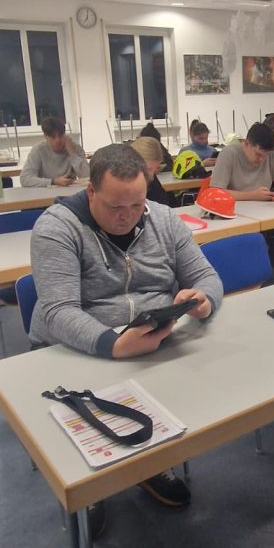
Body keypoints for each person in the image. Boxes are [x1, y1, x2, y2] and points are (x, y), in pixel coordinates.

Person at [30, 143, 223, 510]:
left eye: (137, 205)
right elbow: (59, 311)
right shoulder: (56, 227)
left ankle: (148, 462)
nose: (128, 217)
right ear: (91, 192)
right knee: (89, 448)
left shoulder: (163, 219)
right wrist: (114, 344)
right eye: (115, 207)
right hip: (73, 348)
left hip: (149, 342)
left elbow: (206, 276)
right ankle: (90, 491)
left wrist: (204, 299)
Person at [211, 122, 274, 280]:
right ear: (246, 144)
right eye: (258, 154)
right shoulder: (228, 154)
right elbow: (216, 192)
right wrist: (253, 195)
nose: (261, 159)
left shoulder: (270, 153)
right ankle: (256, 277)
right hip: (235, 216)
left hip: (264, 211)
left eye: (265, 155)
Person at [20, 116, 89, 187]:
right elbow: (25, 179)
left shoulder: (74, 147)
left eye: (60, 136)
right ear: (45, 137)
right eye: (53, 137)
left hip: (71, 192)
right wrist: (53, 181)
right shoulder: (38, 150)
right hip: (46, 192)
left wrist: (72, 153)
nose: (57, 140)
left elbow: (88, 177)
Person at [130, 136, 170, 205]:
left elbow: (163, 202)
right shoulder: (122, 184)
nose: (152, 176)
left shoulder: (151, 179)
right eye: (148, 169)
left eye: (156, 169)